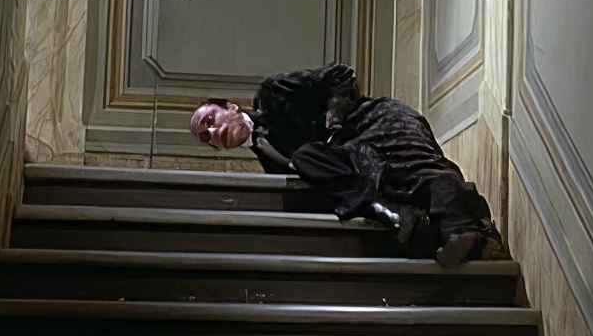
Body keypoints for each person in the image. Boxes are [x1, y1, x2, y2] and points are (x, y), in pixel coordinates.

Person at [189, 63, 507, 267]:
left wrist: (334, 118)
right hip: (355, 157)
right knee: (399, 196)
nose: (213, 131)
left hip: (371, 122)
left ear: (231, 107)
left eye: (211, 119)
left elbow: (340, 74)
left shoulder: (274, 93)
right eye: (207, 136)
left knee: (418, 171)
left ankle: (460, 230)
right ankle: (470, 238)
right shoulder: (268, 161)